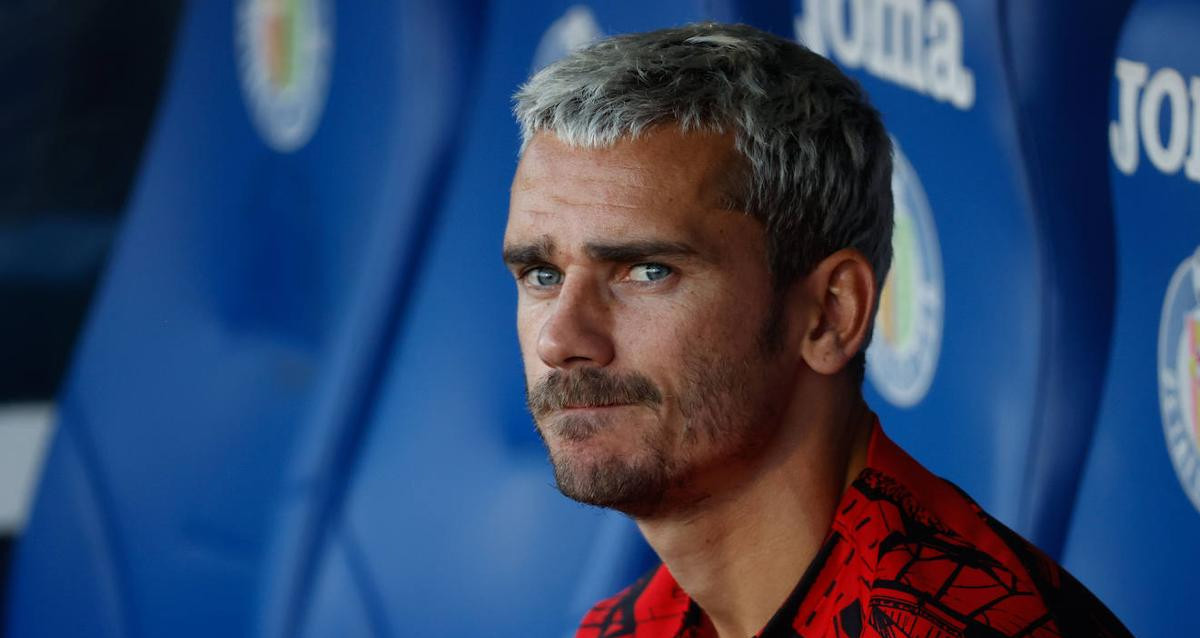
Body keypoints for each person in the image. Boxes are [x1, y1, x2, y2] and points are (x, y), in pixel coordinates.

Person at [502, 22, 1129, 638]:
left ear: (831, 314)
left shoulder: (956, 623)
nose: (561, 341)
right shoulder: (627, 626)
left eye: (648, 270)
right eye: (541, 274)